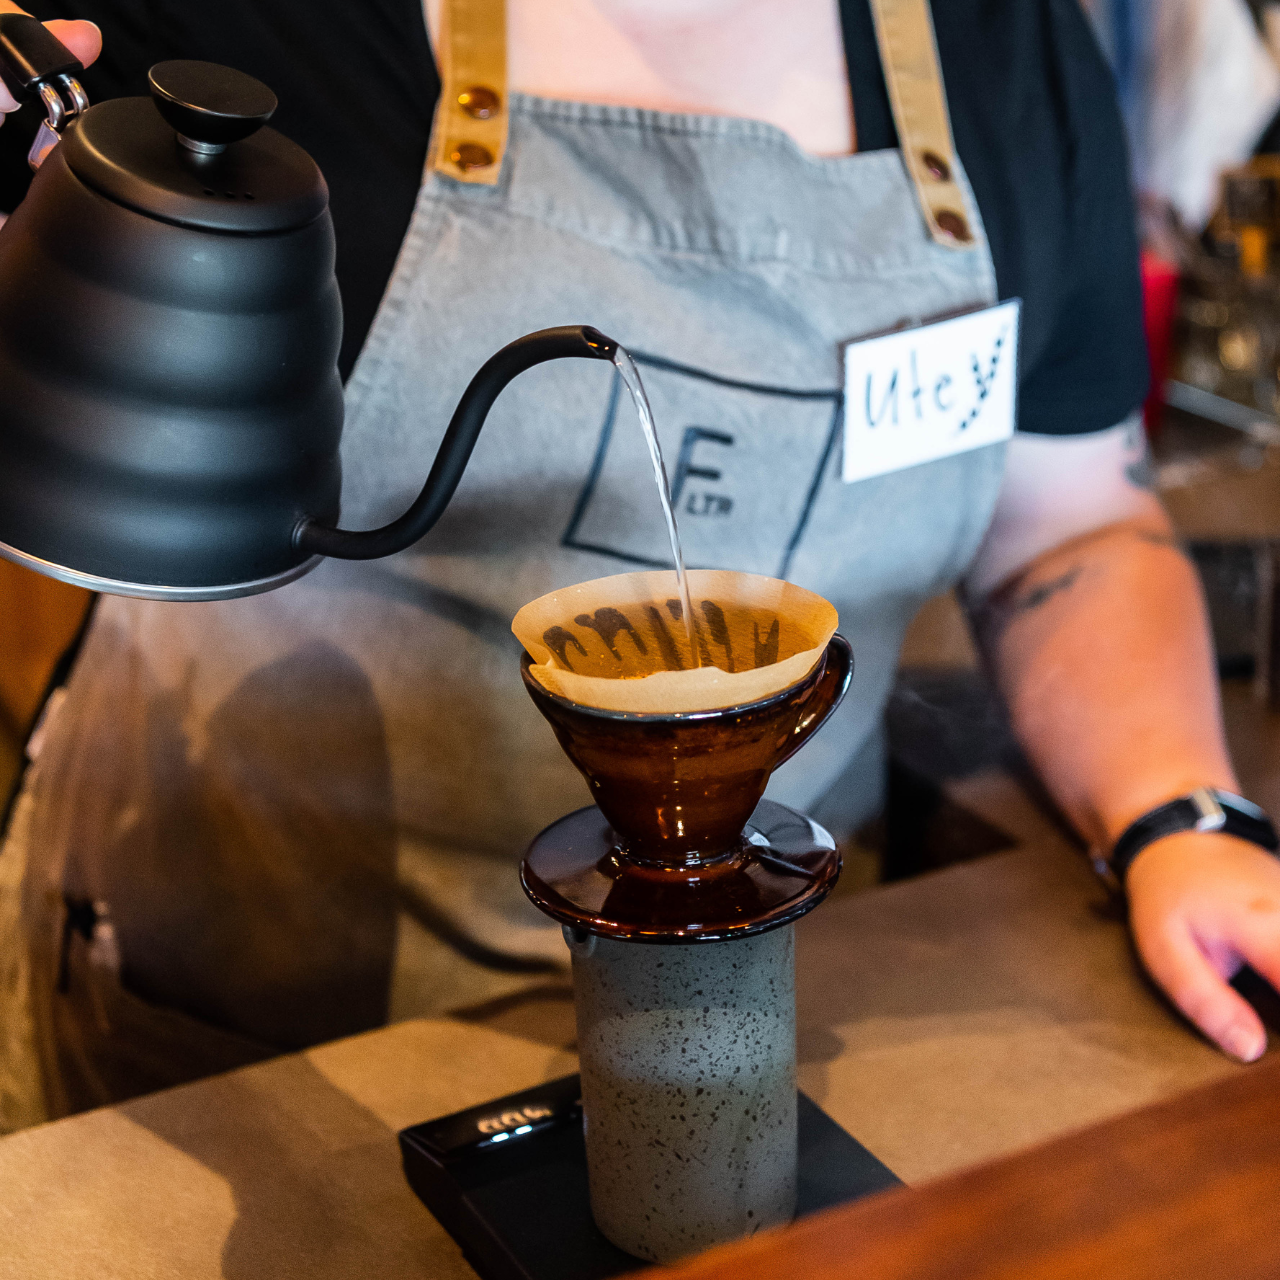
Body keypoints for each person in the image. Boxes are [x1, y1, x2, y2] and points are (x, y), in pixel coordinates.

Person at [1, 0, 1278, 1132]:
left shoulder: (1003, 45)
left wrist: (1181, 812)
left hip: (765, 1027)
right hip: (256, 1056)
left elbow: (1070, 526)